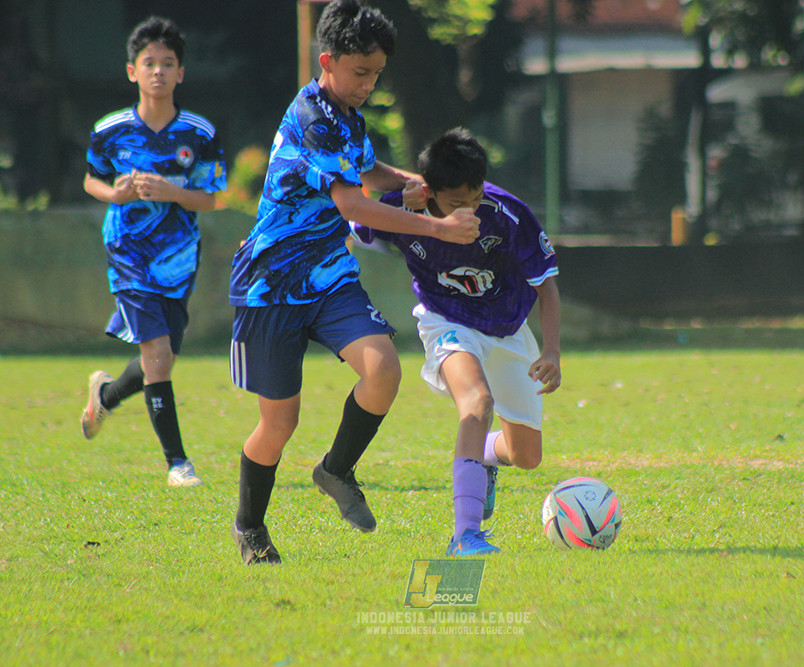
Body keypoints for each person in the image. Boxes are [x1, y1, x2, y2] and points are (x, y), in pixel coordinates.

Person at [227, 0, 480, 565]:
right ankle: (250, 527)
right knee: (279, 424)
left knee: (384, 368)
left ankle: (336, 470)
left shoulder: (347, 118)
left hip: (328, 277)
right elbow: (355, 204)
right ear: (328, 61)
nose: (368, 85)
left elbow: (369, 172)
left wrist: (415, 181)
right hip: (271, 284)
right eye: (360, 73)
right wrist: (436, 224)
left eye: (376, 75)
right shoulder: (313, 118)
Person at [351, 127, 562, 556]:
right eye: (455, 204)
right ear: (428, 192)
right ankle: (465, 535)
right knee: (477, 403)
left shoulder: (508, 214)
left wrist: (552, 350)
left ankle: (485, 456)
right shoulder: (404, 212)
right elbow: (353, 227)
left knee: (527, 456)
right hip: (445, 321)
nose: (469, 211)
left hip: (507, 328)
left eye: (475, 198)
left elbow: (547, 285)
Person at [80, 16, 226, 488]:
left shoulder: (199, 133)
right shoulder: (109, 130)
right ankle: (177, 464)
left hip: (180, 256)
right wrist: (115, 196)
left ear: (181, 72)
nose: (158, 71)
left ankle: (105, 394)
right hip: (127, 251)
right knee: (158, 356)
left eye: (168, 63)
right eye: (149, 63)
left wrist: (171, 191)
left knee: (158, 361)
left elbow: (211, 197)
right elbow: (91, 179)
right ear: (132, 71)